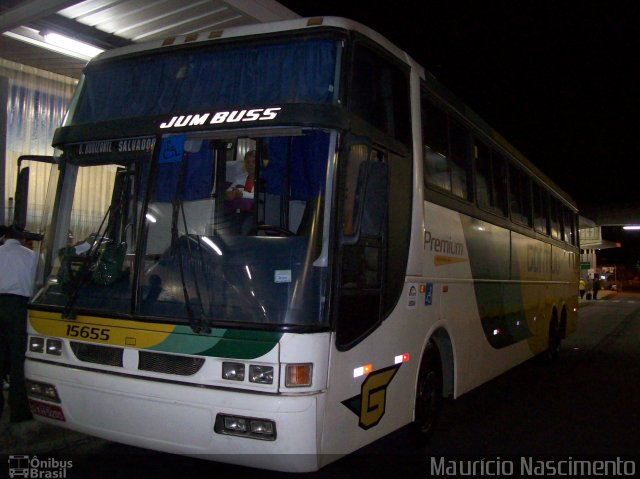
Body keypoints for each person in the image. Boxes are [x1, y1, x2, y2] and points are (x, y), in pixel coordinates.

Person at [0, 225, 38, 423]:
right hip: (19, 308)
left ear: (4, 238)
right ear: (23, 239)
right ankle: (19, 411)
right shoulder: (31, 256)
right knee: (18, 359)